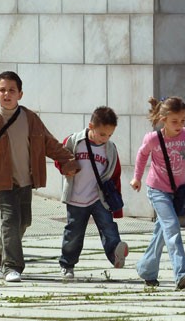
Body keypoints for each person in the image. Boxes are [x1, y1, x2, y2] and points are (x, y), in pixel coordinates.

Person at [0, 71, 79, 283]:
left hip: (25, 180)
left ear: (20, 94)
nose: (7, 94)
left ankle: (0, 255)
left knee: (23, 221)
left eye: (11, 90)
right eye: (2, 90)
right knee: (10, 219)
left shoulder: (30, 118)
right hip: (2, 182)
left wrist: (68, 160)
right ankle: (11, 267)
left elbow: (49, 143)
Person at [131, 96, 185, 290]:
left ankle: (146, 269)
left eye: (183, 120)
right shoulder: (153, 138)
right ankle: (182, 273)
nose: (179, 125)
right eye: (175, 121)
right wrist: (137, 178)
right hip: (157, 189)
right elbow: (142, 156)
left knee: (162, 231)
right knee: (172, 226)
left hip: (177, 191)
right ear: (163, 118)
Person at [58, 106, 127, 280]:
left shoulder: (110, 149)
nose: (106, 138)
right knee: (73, 232)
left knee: (108, 227)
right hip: (76, 198)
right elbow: (60, 157)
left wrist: (116, 208)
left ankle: (115, 254)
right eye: (102, 134)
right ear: (91, 126)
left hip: (99, 199)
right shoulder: (74, 141)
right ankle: (67, 264)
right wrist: (65, 169)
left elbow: (115, 176)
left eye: (110, 135)